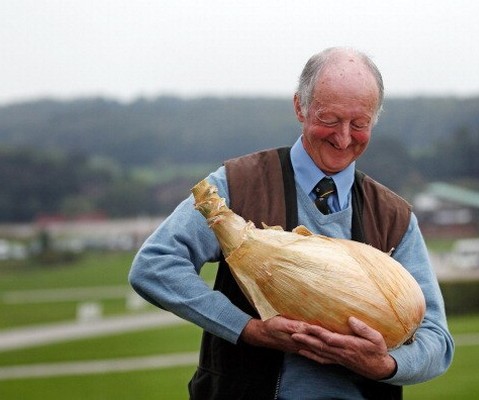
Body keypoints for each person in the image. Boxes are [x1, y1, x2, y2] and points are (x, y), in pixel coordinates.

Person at [129, 47, 454, 400]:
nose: (343, 138)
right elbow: (154, 265)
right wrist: (249, 329)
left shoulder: (395, 217)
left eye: (359, 124)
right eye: (330, 119)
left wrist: (386, 365)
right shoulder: (237, 185)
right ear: (300, 106)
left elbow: (437, 340)